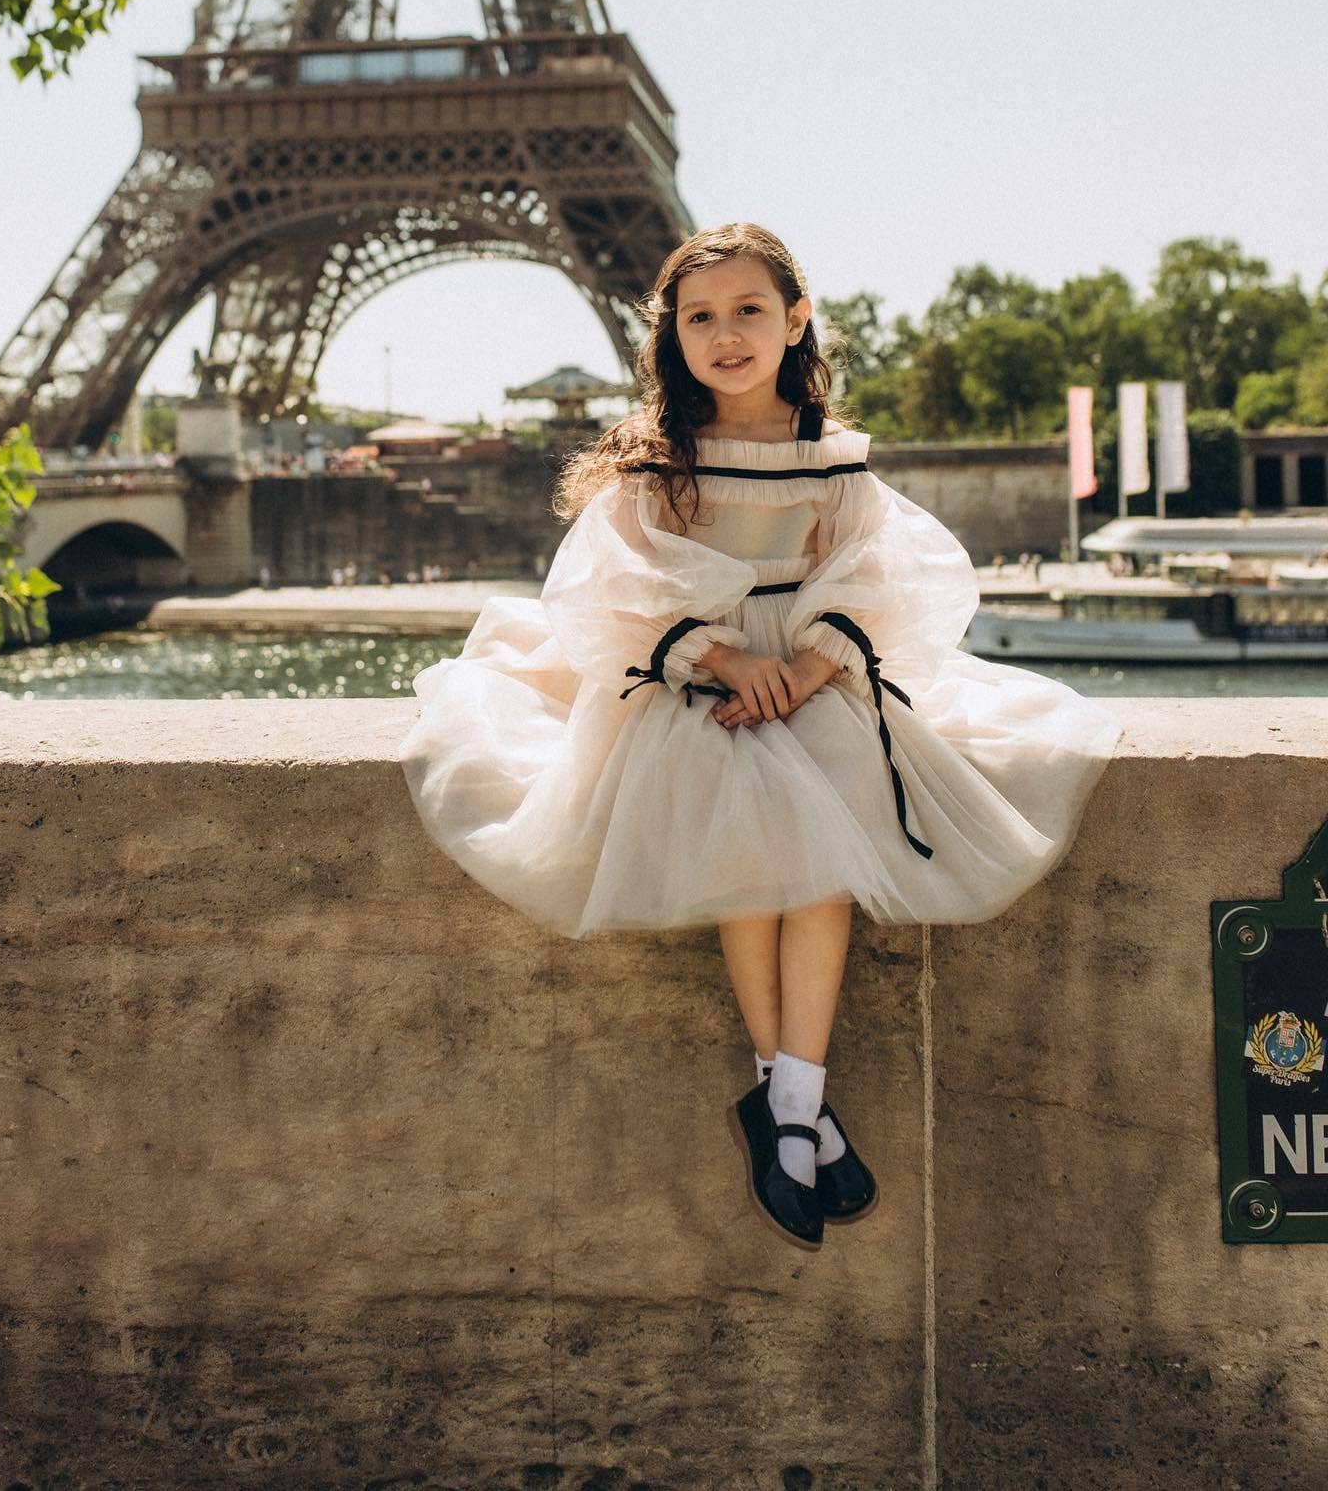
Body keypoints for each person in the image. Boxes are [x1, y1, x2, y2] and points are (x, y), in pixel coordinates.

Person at [401, 223, 1122, 1251]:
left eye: (749, 310)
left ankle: (789, 1100)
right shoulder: (661, 463)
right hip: (699, 683)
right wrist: (731, 663)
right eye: (701, 316)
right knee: (754, 853)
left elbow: (878, 575)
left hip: (807, 680)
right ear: (671, 337)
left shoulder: (833, 460)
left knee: (814, 867)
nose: (726, 334)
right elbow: (619, 590)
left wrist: (813, 664)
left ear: (796, 320)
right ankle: (795, 1108)